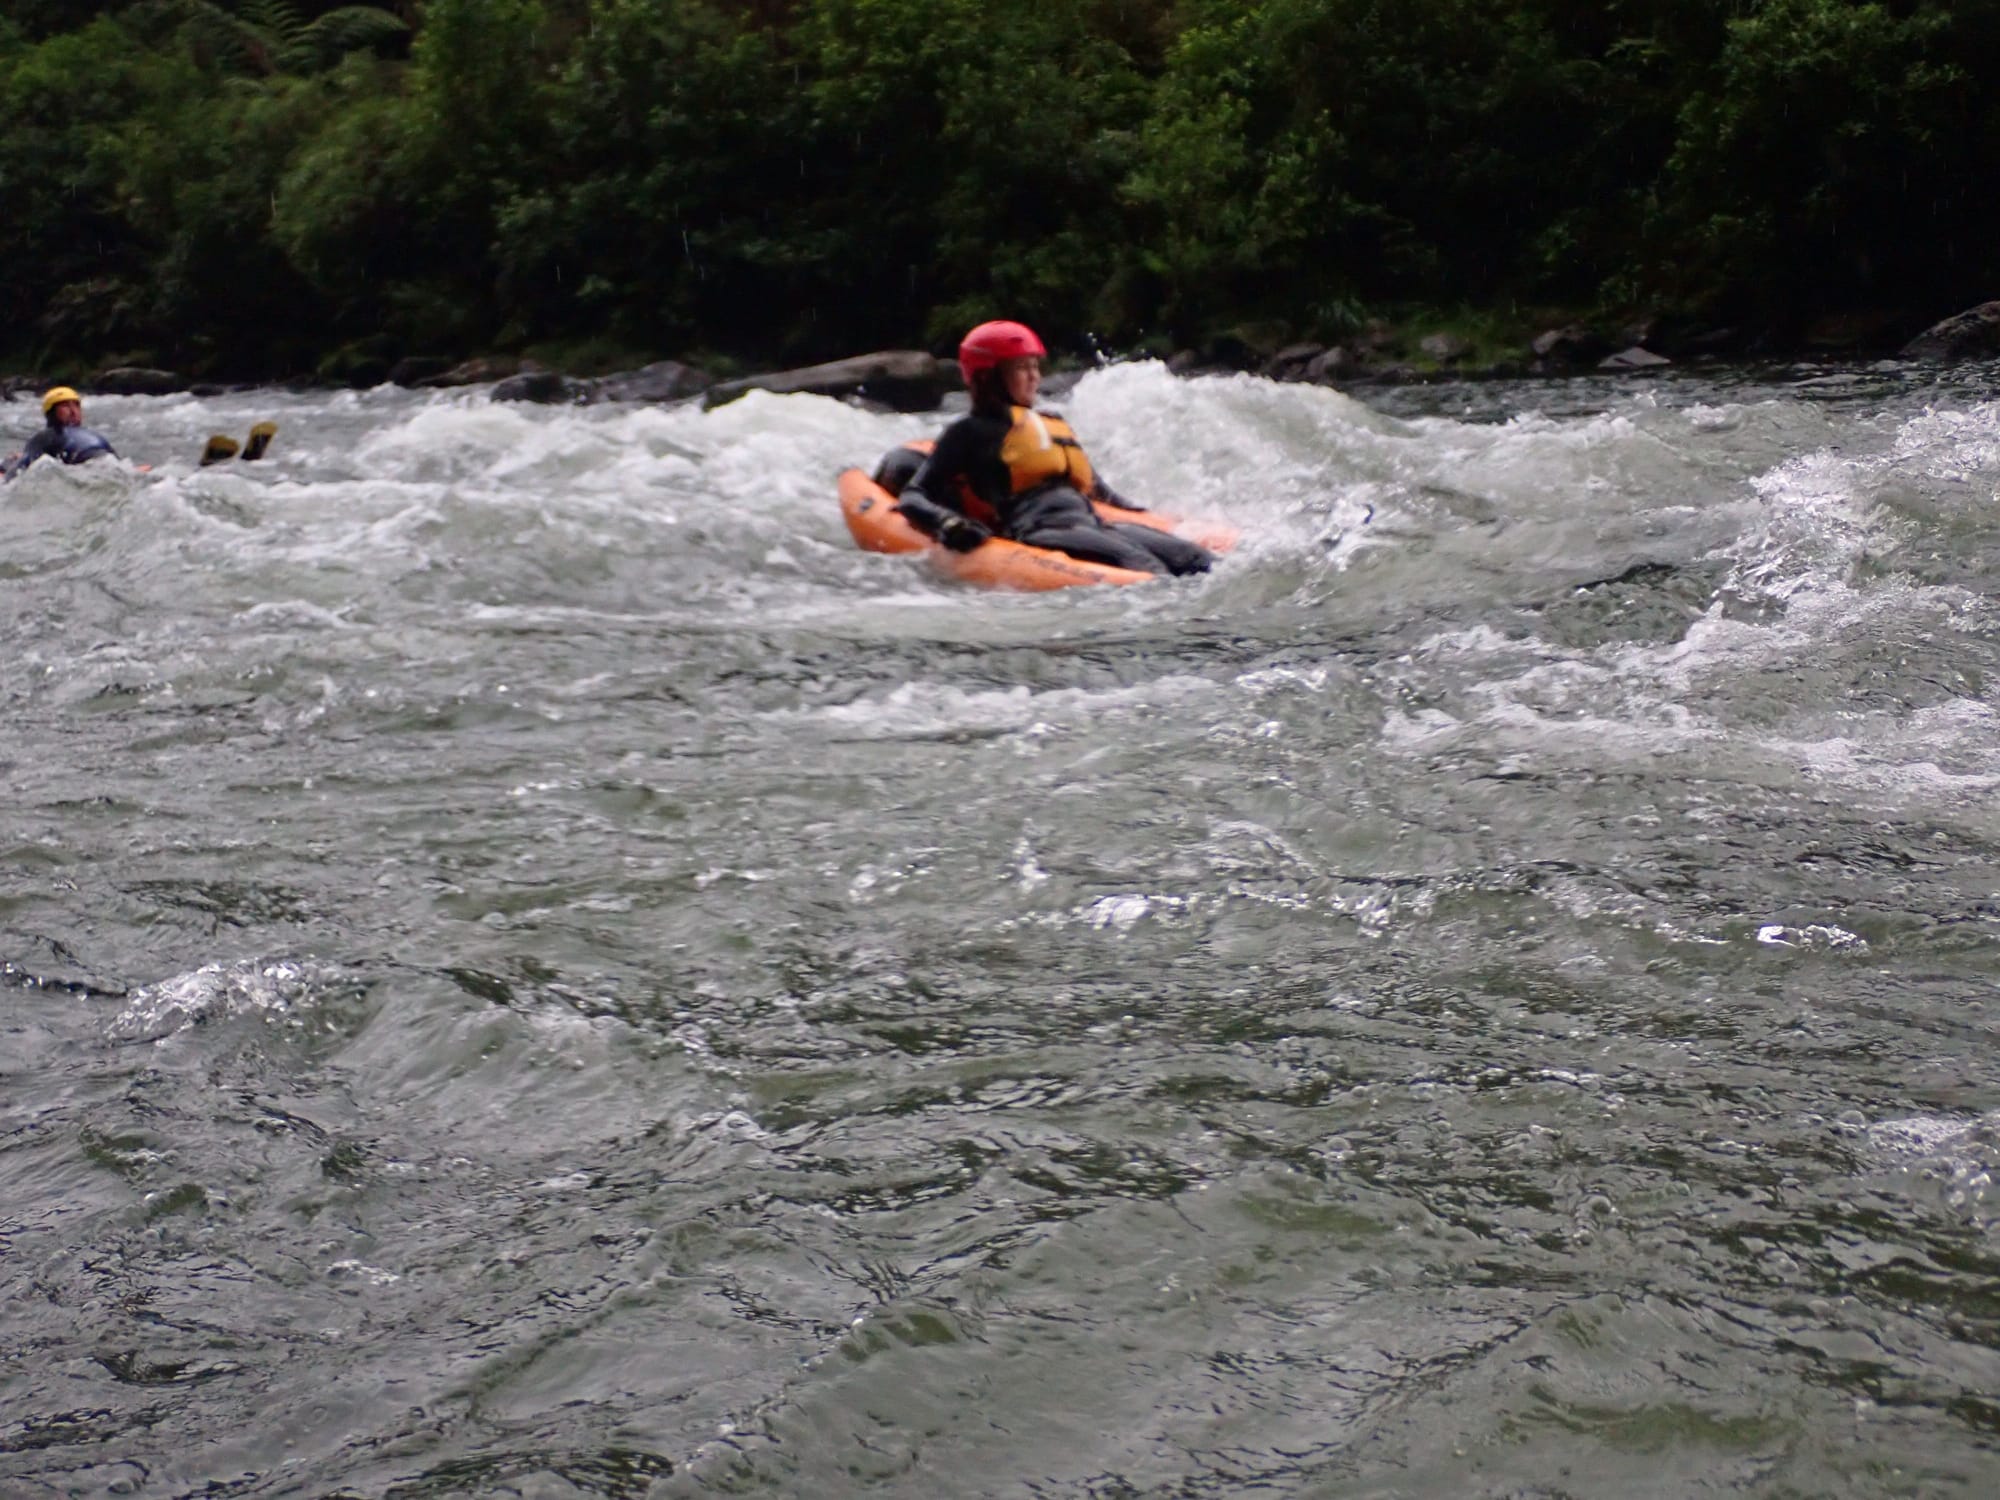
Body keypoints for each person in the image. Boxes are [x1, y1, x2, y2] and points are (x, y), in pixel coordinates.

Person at [888, 321, 1213, 576]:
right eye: (1021, 368)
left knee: (1196, 559)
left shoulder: (1050, 422)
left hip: (1091, 524)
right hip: (1039, 530)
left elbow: (1099, 491)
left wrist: (1147, 515)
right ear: (988, 377)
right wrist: (949, 524)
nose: (1034, 377)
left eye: (1035, 367)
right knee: (1143, 565)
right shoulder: (969, 431)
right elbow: (914, 495)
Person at [4, 386, 118, 478]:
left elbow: (14, 474)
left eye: (76, 405)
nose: (73, 412)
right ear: (51, 413)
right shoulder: (92, 435)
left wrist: (6, 465)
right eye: (65, 406)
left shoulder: (44, 438)